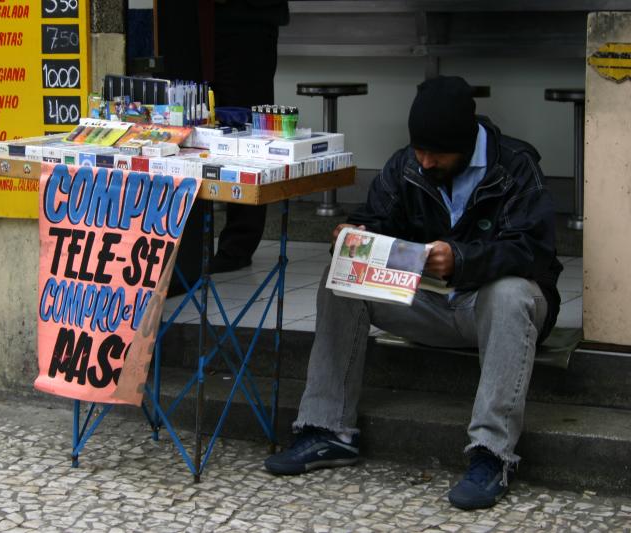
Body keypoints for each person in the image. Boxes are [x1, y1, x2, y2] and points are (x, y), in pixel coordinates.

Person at [264, 76, 562, 511]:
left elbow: (534, 251)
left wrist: (460, 259)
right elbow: (377, 217)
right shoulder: (406, 164)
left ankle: (491, 455)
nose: (424, 161)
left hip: (491, 310)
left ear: (464, 143)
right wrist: (355, 233)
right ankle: (328, 430)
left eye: (436, 154)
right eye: (419, 149)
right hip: (428, 304)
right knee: (341, 276)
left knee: (511, 294)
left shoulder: (516, 166)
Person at [157, 0, 289, 295]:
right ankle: (187, 246)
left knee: (244, 123)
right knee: (186, 120)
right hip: (186, 18)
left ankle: (238, 244)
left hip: (245, 20)